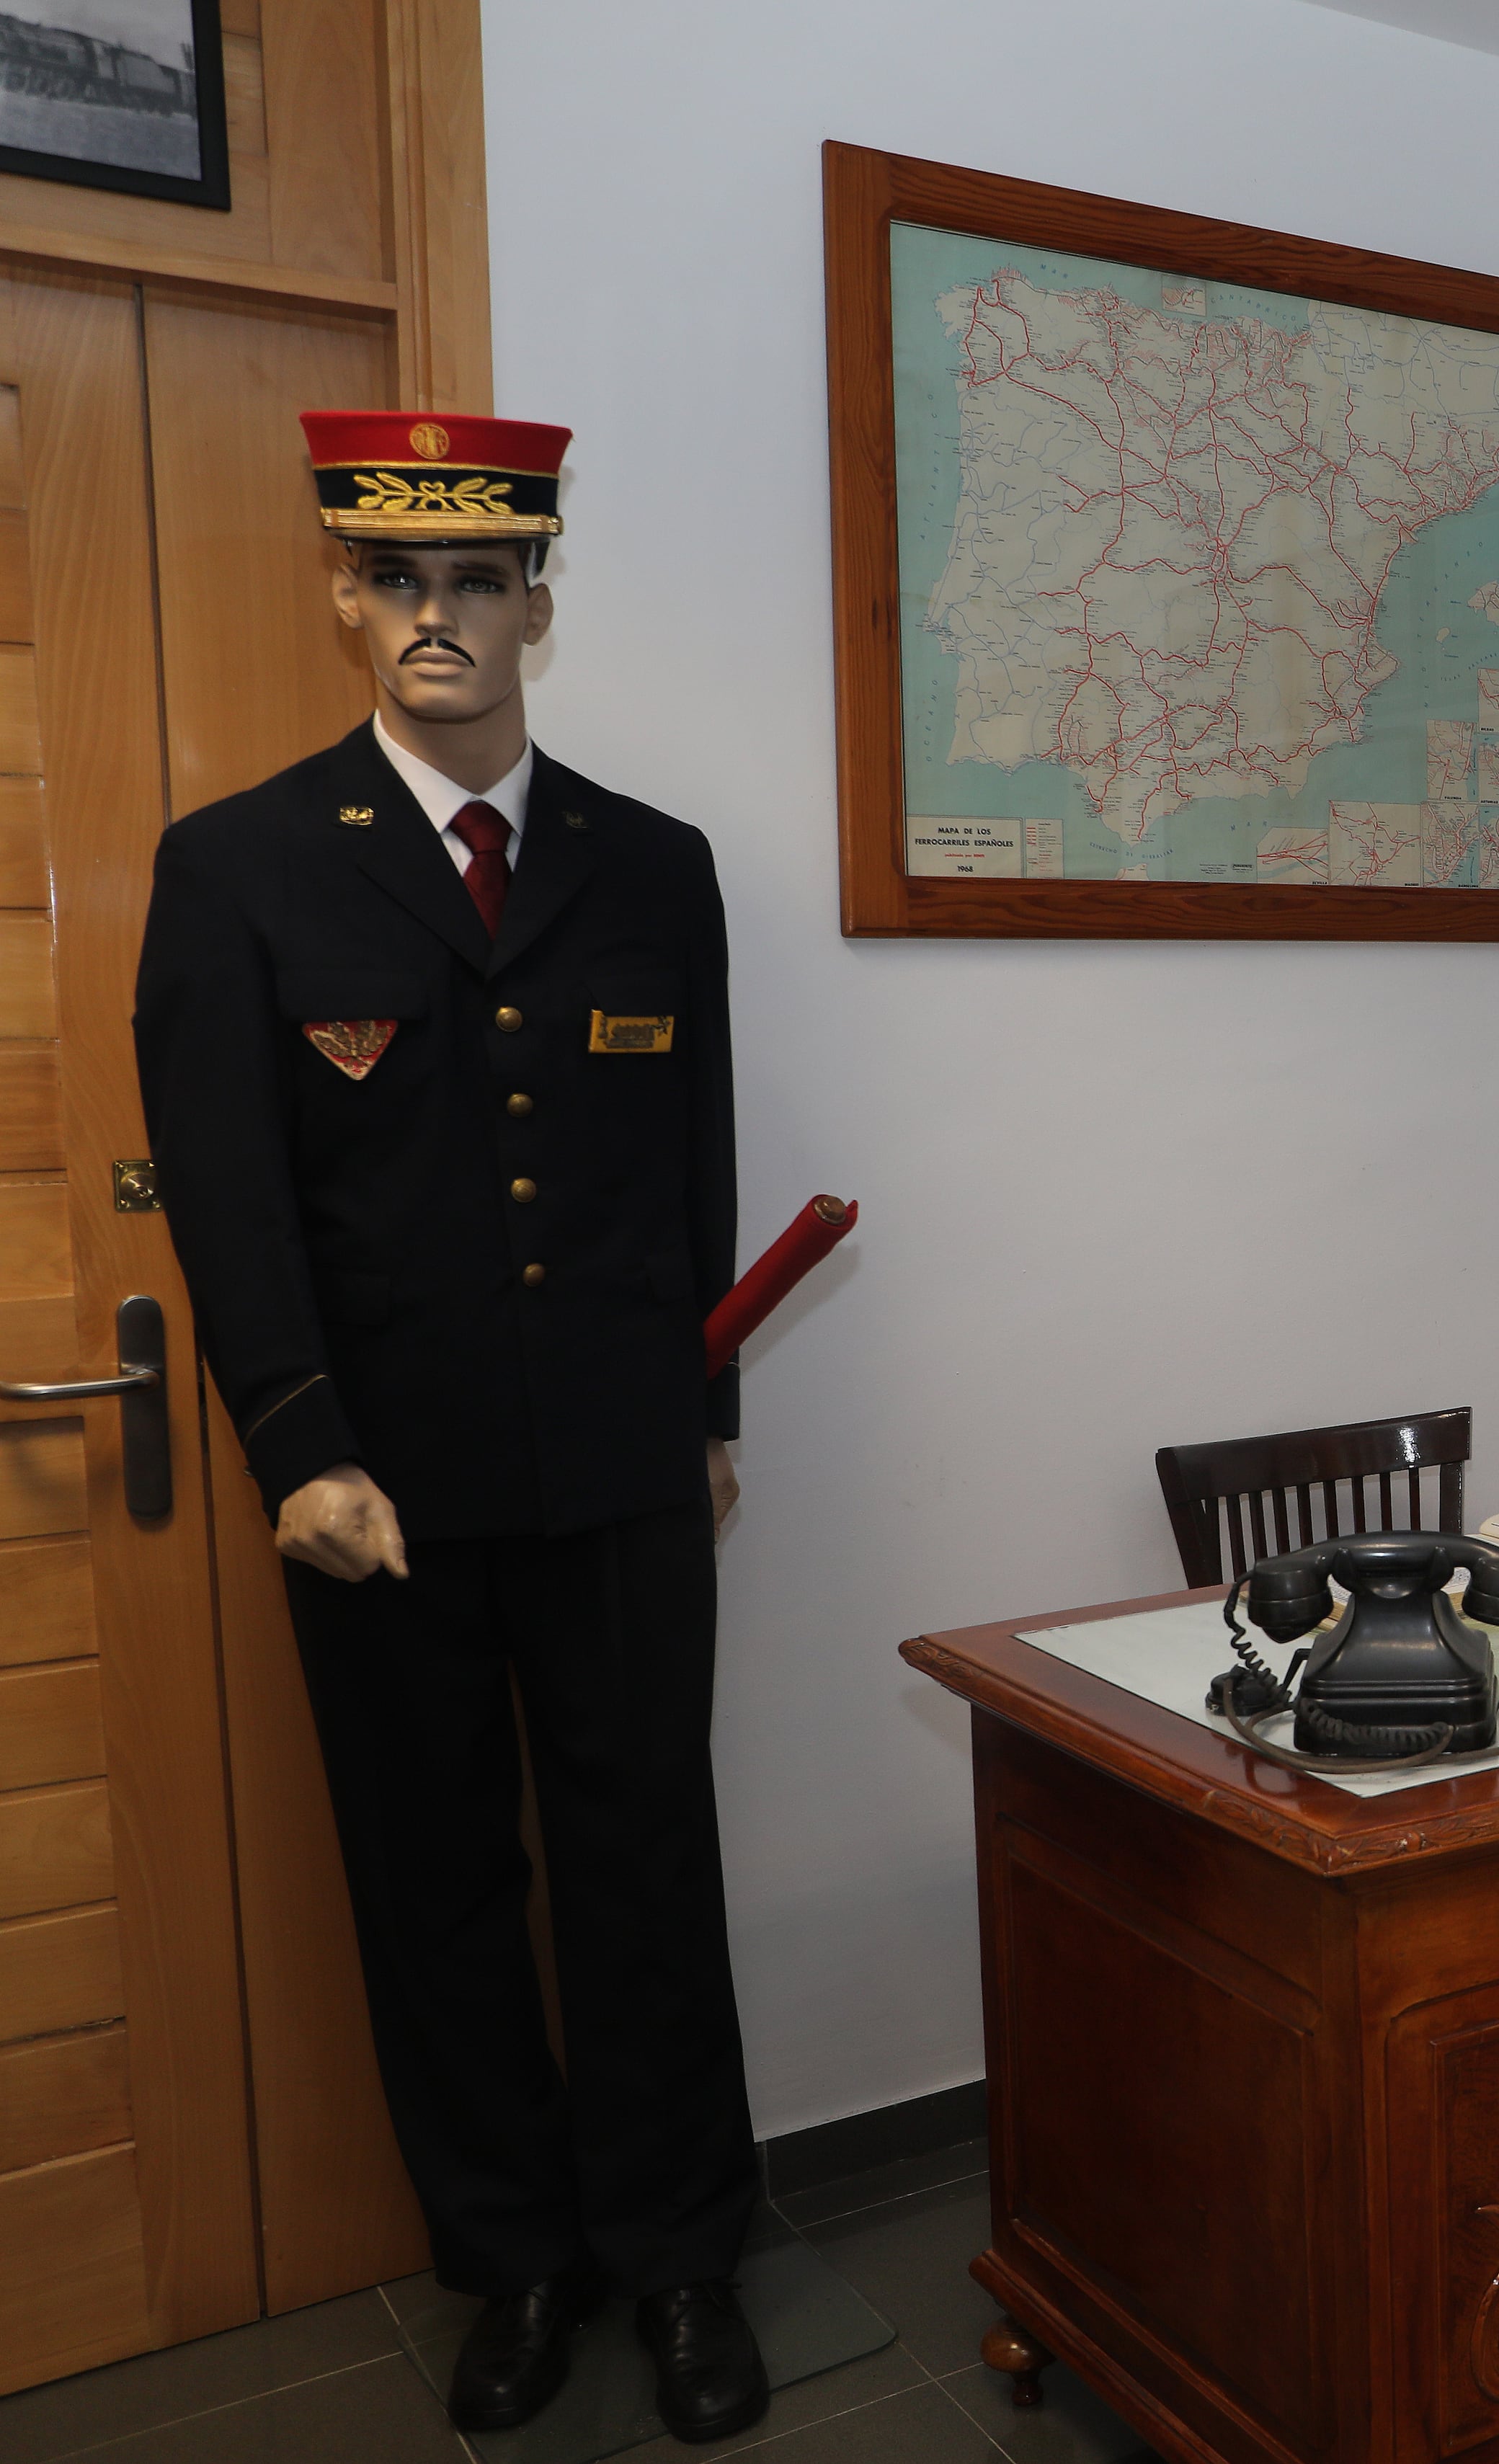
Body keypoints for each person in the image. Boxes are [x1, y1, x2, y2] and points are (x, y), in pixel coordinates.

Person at [130, 412, 767, 2445]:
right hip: (378, 1495)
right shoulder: (236, 868)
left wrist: (710, 1405)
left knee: (647, 1865)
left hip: (616, 1468)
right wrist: (299, 1443)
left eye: (476, 581)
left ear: (538, 608)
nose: (435, 617)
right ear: (345, 596)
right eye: (397, 580)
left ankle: (679, 2258)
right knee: (436, 1884)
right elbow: (231, 1196)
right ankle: (514, 2257)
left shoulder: (651, 867)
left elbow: (695, 1165)